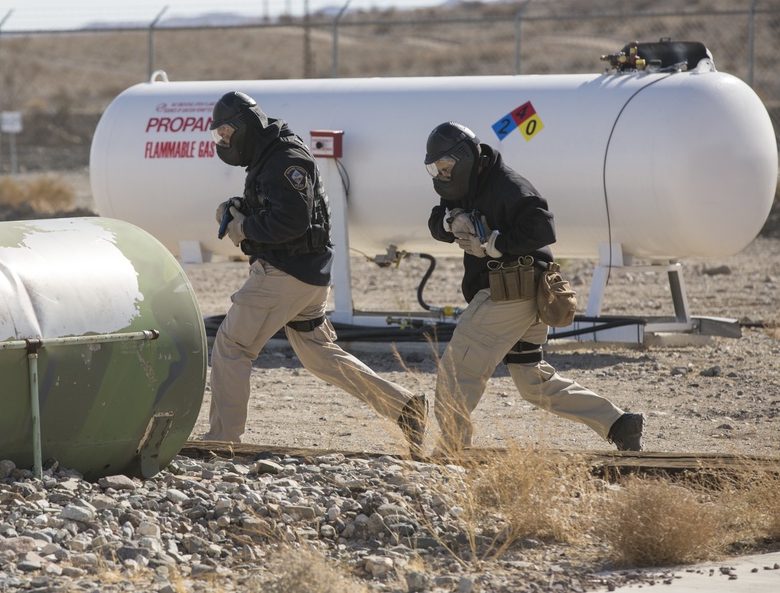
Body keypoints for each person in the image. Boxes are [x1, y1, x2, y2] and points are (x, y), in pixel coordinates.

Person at [203, 90, 427, 458]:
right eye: (219, 135)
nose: (223, 140)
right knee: (318, 354)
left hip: (284, 275)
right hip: (306, 277)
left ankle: (221, 443)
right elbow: (284, 208)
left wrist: (244, 228)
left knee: (232, 347)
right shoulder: (273, 153)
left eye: (226, 132)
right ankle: (405, 408)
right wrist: (244, 208)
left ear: (244, 127)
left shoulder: (284, 158)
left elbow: (291, 221)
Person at [423, 121, 645, 453]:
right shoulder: (463, 184)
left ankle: (451, 450)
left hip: (511, 291)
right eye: (437, 169)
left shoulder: (508, 186)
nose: (442, 175)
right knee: (533, 382)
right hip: (522, 294)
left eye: (445, 167)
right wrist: (450, 221)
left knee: (459, 368)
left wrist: (500, 243)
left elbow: (543, 228)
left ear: (465, 157)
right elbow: (436, 220)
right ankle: (618, 423)